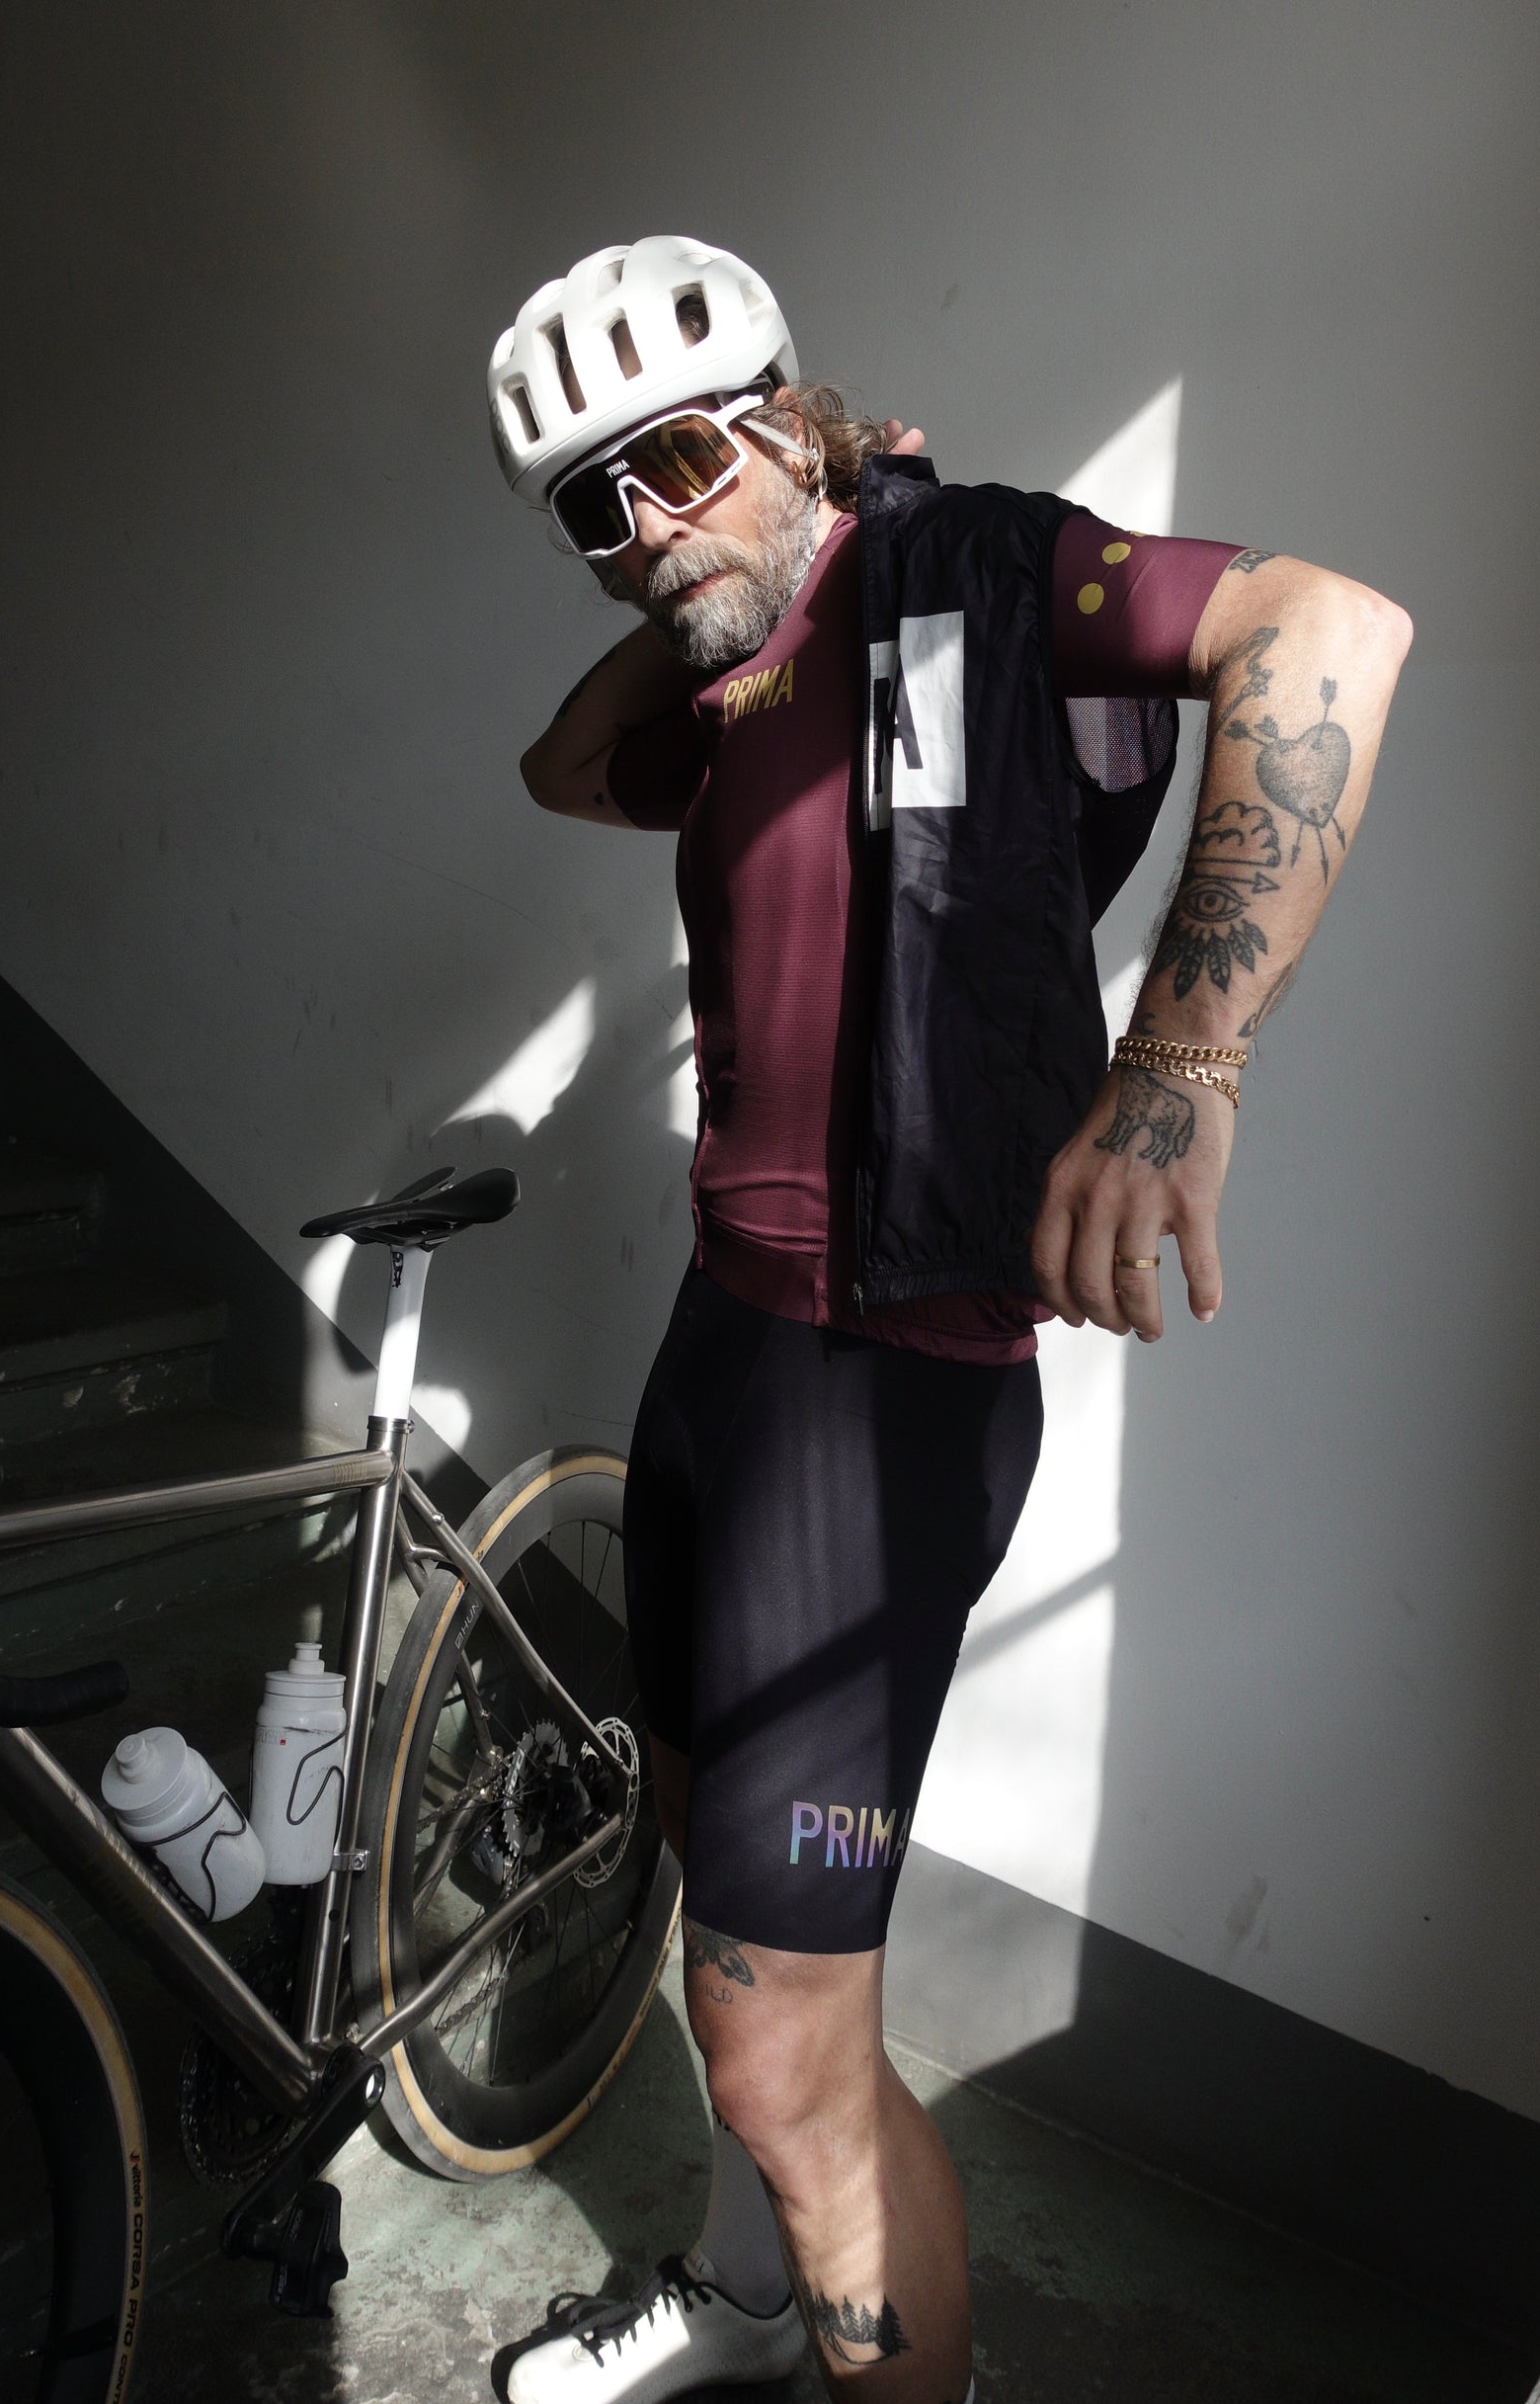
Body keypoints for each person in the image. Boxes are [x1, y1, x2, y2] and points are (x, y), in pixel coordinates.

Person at [489, 237, 1412, 2404]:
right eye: (589, 503)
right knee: (717, 1900)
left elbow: (1328, 628)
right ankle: (746, 2294)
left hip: (885, 1394)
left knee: (775, 2047)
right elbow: (558, 764)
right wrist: (711, 547)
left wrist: (1178, 1060)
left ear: (788, 418)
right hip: (721, 1353)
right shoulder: (725, 687)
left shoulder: (973, 576)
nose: (640, 526)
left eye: (679, 458)